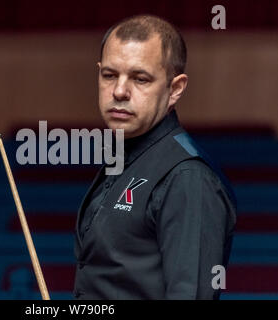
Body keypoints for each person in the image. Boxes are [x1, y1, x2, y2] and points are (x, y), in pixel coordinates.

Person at [73, 14, 237, 300]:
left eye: (140, 79)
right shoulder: (124, 154)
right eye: (109, 75)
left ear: (175, 89)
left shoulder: (189, 179)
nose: (119, 91)